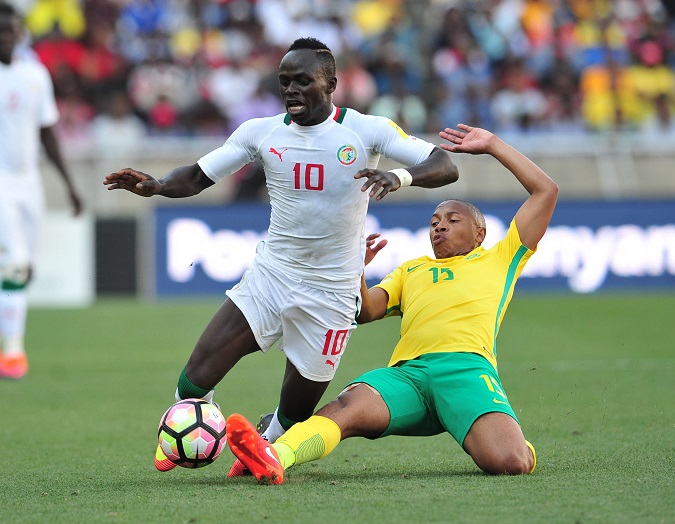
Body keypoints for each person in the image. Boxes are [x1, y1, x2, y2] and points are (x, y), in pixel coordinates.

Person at [102, 37, 458, 472]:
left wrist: (398, 177)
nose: (291, 89)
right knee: (195, 377)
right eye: (284, 81)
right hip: (272, 276)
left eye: (303, 81)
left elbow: (445, 164)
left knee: (294, 416)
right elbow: (197, 176)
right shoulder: (262, 131)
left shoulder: (367, 130)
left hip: (332, 292)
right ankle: (182, 431)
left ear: (331, 84)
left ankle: (259, 448)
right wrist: (157, 185)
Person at [225, 122, 559, 484]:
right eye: (434, 222)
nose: (439, 227)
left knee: (511, 463)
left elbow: (546, 190)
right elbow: (367, 311)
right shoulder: (411, 270)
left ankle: (514, 441)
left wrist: (493, 144)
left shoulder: (500, 258)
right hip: (408, 377)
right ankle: (273, 455)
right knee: (346, 408)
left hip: (465, 371)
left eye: (452, 219)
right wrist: (356, 271)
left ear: (480, 233)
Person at [0, 2, 83, 380]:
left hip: (29, 181)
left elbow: (47, 132)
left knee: (24, 268)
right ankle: (13, 354)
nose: (5, 37)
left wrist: (69, 185)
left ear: (19, 34)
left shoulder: (35, 75)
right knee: (14, 263)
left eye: (10, 31)